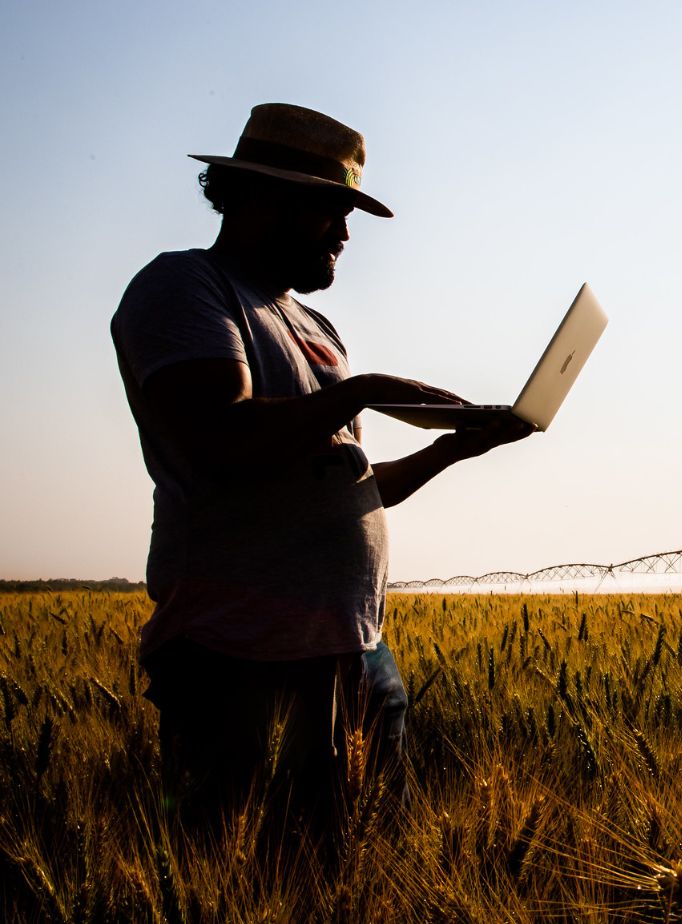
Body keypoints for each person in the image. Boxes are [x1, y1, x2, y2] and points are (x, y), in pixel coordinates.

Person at [110, 103, 532, 841]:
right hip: (241, 656)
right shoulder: (186, 289)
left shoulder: (315, 327)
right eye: (332, 211)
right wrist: (362, 388)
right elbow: (221, 437)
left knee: (357, 867)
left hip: (357, 646)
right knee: (246, 871)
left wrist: (450, 450)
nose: (344, 234)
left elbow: (344, 481)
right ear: (263, 197)